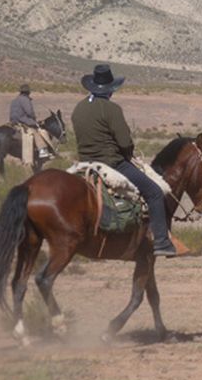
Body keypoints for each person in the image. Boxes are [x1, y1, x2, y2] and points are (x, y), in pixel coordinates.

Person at [71, 64, 178, 257]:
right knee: (154, 192)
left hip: (85, 163)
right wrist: (128, 153)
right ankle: (161, 242)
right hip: (112, 163)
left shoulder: (79, 108)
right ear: (111, 89)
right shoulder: (111, 109)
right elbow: (125, 142)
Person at [9, 84, 51, 159]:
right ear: (28, 92)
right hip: (23, 120)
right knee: (37, 131)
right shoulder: (25, 99)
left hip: (13, 121)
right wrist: (34, 119)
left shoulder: (14, 100)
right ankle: (42, 150)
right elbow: (29, 112)